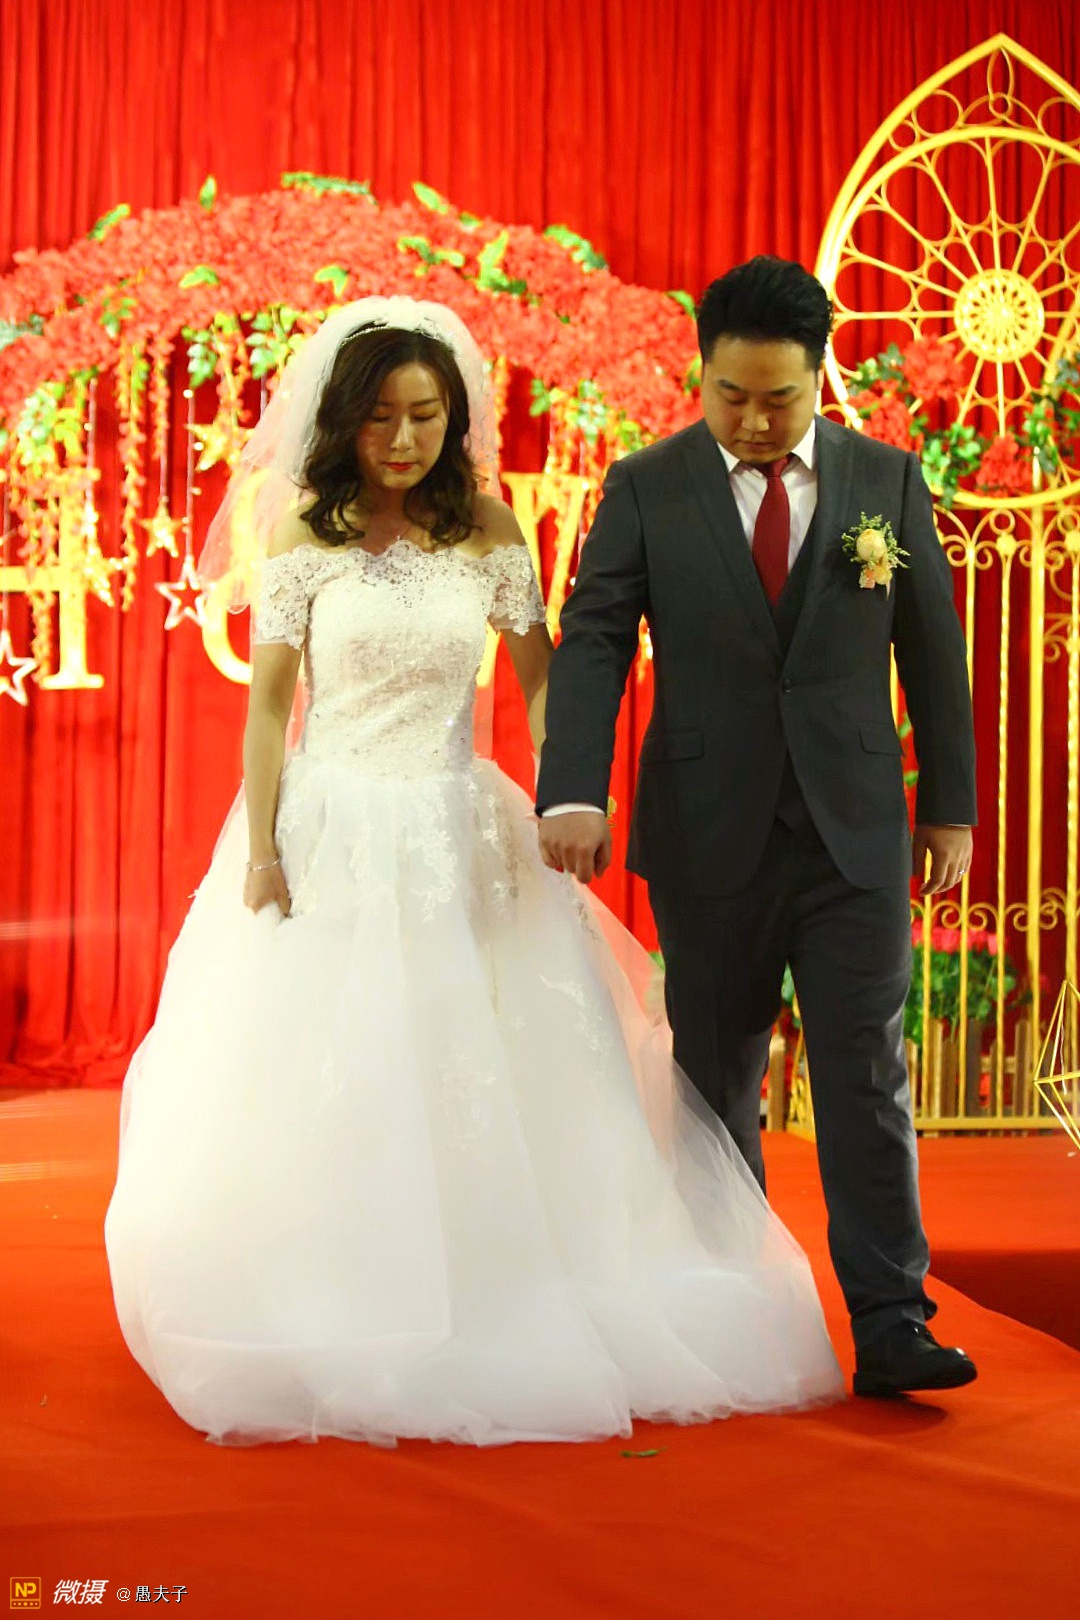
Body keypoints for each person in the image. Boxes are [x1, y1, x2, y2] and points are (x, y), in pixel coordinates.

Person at [104, 296, 843, 1448]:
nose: (403, 439)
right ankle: (341, 1287)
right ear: (344, 423)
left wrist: (563, 795)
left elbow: (545, 681)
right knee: (339, 1068)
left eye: (425, 415)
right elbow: (270, 711)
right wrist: (262, 849)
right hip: (336, 832)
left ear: (455, 420)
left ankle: (499, 1280)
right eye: (381, 418)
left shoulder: (491, 530)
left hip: (462, 826)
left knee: (490, 1064)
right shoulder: (302, 536)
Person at [537, 258, 979, 1399]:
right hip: (709, 828)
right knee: (717, 1077)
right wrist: (572, 789)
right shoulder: (647, 486)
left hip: (853, 833)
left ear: (819, 378)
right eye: (730, 394)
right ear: (702, 374)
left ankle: (893, 1321)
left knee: (865, 1074)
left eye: (778, 398)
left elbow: (933, 647)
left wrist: (950, 807)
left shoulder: (886, 478)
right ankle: (730, 1315)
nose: (753, 420)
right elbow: (594, 639)